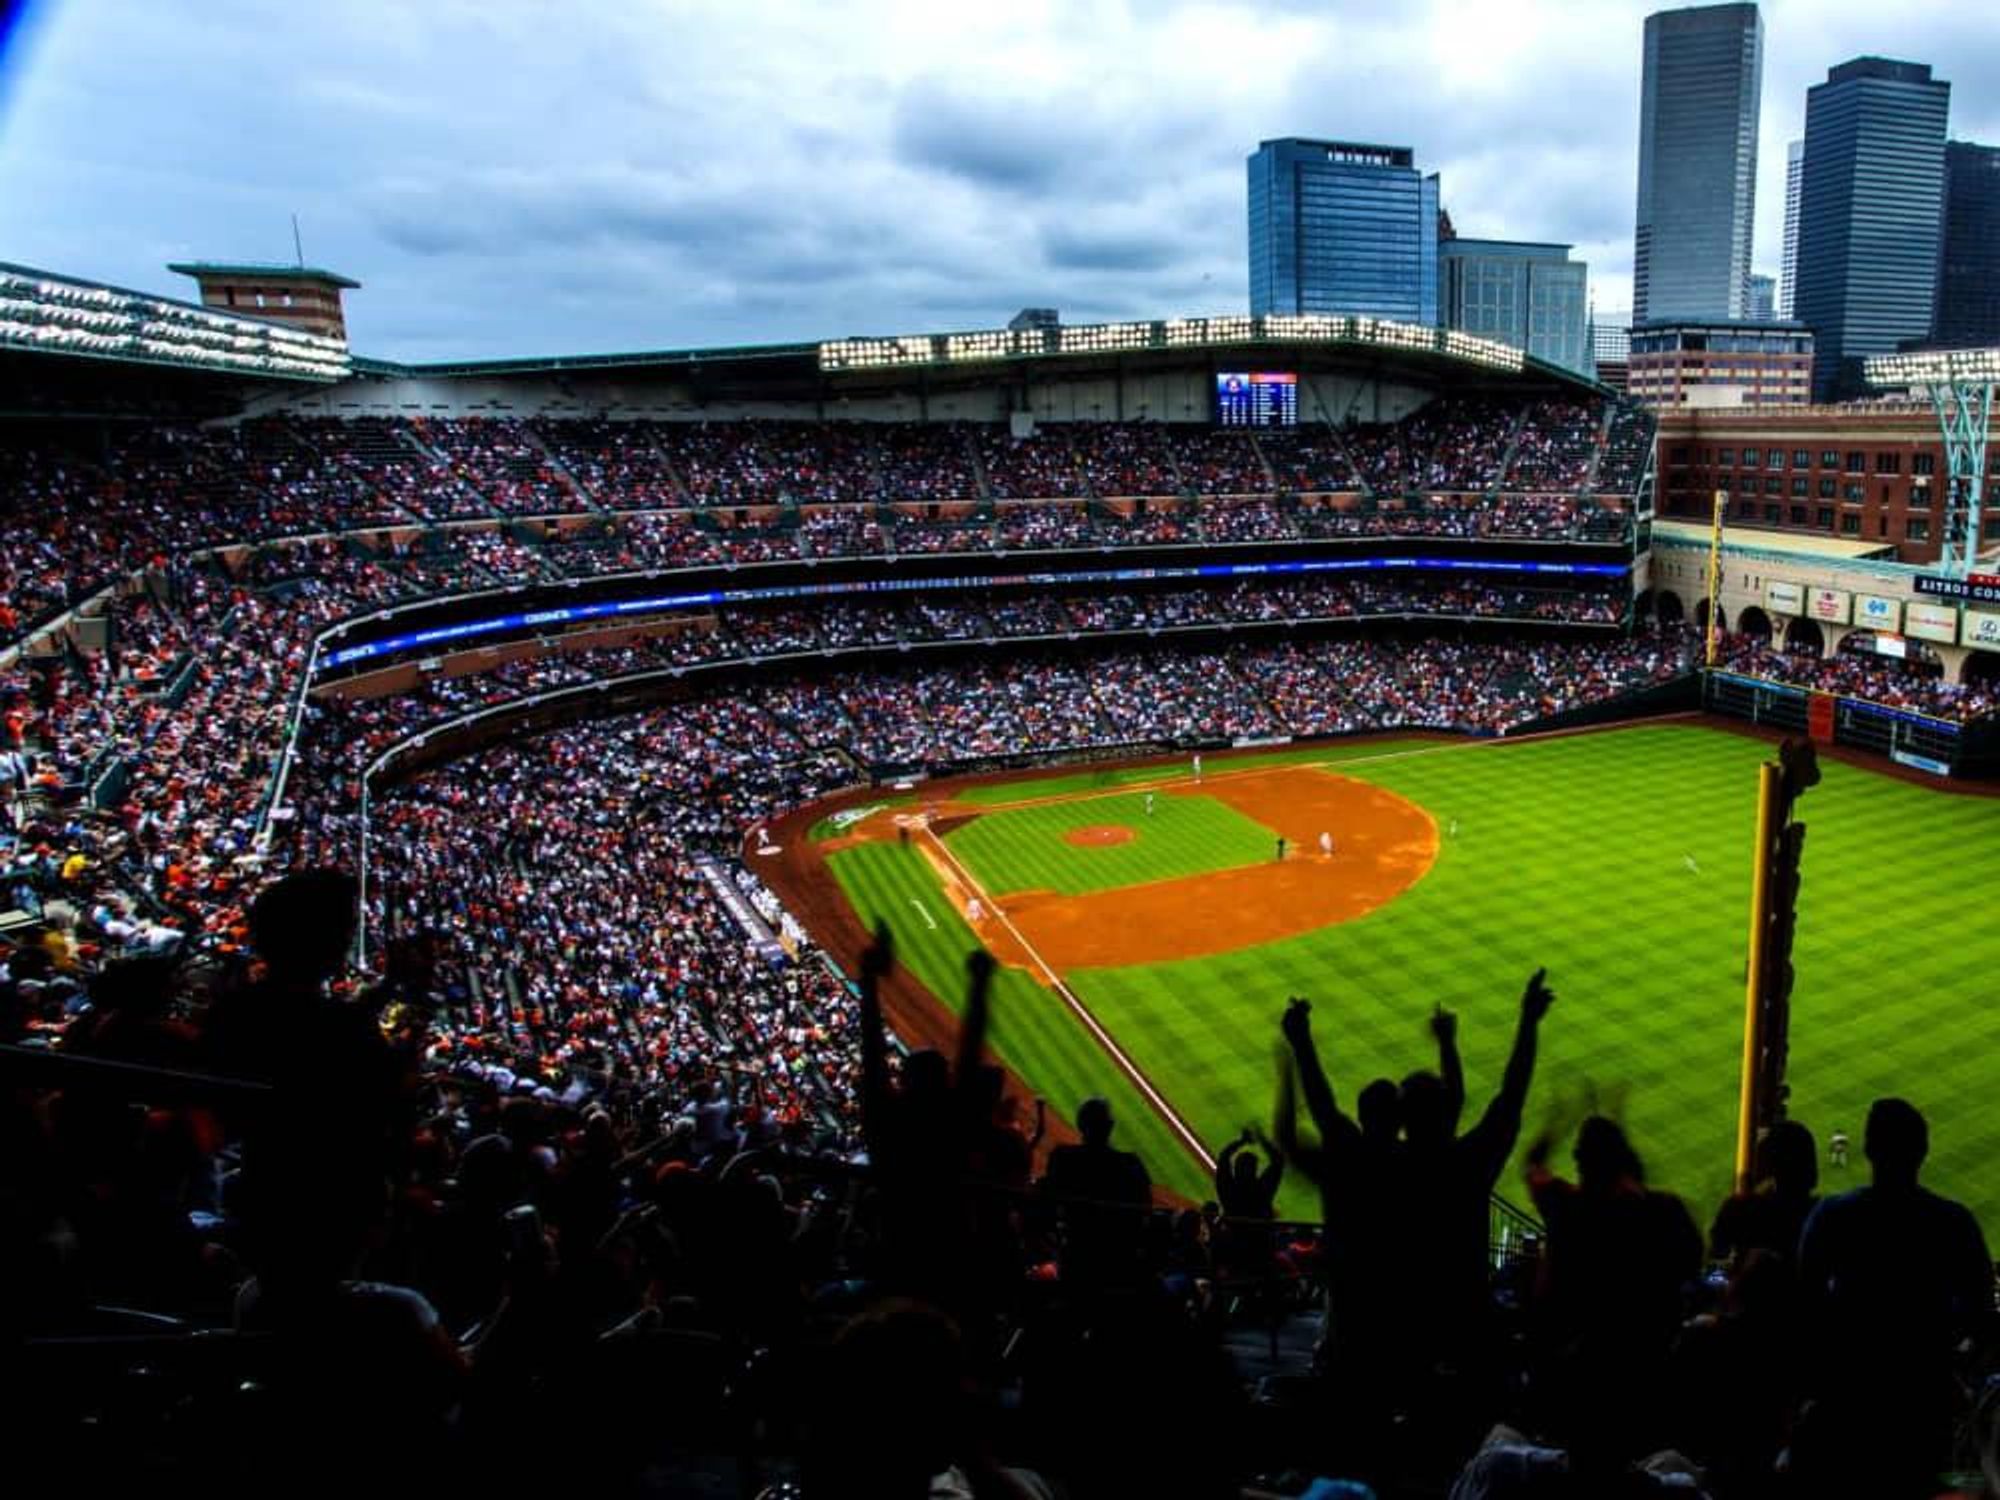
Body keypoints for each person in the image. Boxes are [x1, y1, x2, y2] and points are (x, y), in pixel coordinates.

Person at [1793, 1098, 1995, 1497]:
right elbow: (1982, 1315)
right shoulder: (1954, 1223)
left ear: (1868, 1148)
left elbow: (1804, 1306)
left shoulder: (1832, 1215)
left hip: (1846, 1400)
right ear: (1923, 1151)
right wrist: (1952, 1364)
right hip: (1922, 1402)